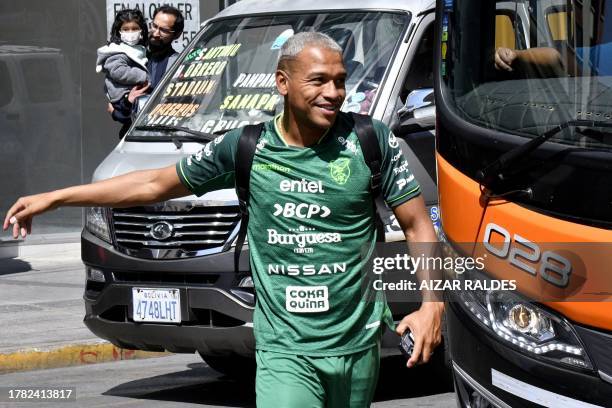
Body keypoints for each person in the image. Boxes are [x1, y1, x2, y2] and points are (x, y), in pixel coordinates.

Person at [4, 32, 444, 407]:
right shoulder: (247, 147)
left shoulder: (368, 141)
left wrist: (431, 305)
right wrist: (58, 197)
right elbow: (154, 184)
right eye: (318, 81)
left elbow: (418, 225)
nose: (332, 92)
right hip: (285, 350)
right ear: (282, 83)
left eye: (340, 81)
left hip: (359, 343)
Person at [108, 5, 184, 135]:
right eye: (154, 26)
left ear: (177, 35)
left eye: (164, 30)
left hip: (164, 139)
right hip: (132, 138)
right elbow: (116, 109)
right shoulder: (131, 55)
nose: (156, 33)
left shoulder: (178, 64)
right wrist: (126, 103)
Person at [97, 8, 149, 137]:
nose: (130, 33)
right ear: (119, 31)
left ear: (141, 30)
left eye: (134, 28)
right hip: (122, 97)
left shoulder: (138, 49)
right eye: (126, 29)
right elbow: (118, 71)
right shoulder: (117, 51)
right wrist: (145, 76)